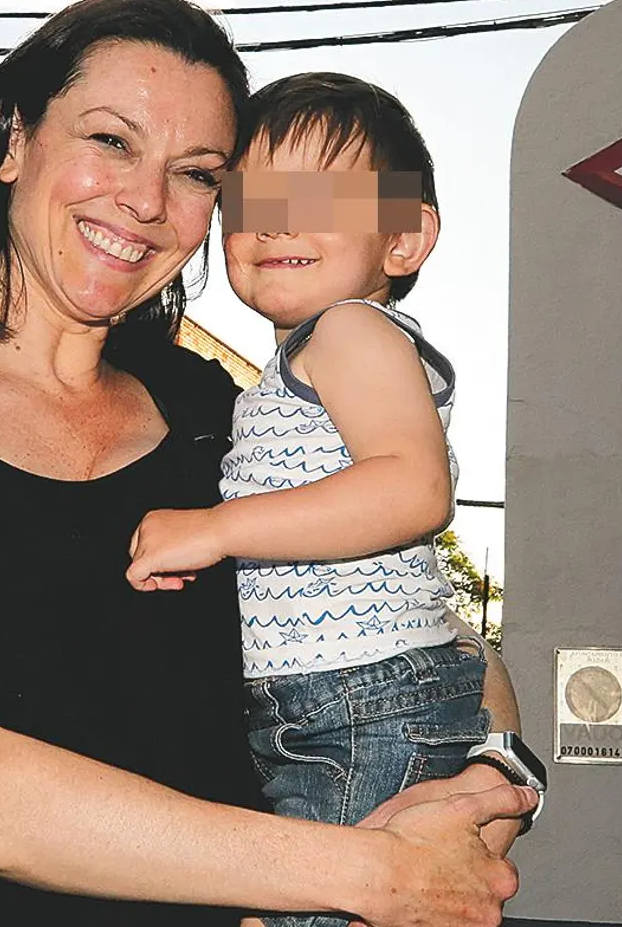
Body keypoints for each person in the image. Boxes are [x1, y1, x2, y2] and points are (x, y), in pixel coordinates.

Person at [0, 0, 535, 927]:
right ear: (10, 139)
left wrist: (492, 786)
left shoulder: (214, 411)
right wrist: (370, 874)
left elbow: (428, 625)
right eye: (111, 141)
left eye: (198, 173)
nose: (148, 201)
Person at [124, 73, 527, 927]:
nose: (272, 220)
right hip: (333, 700)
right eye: (247, 200)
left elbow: (415, 488)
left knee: (353, 897)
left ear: (405, 238)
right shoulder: (297, 365)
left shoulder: (350, 331)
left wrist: (217, 529)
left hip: (364, 698)